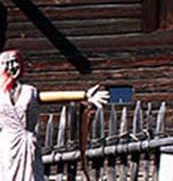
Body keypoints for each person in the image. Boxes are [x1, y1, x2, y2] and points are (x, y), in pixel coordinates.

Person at [0, 49, 109, 181]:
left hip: (27, 143)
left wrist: (85, 95)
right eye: (7, 63)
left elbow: (51, 96)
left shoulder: (29, 91)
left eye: (15, 62)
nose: (12, 67)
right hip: (7, 144)